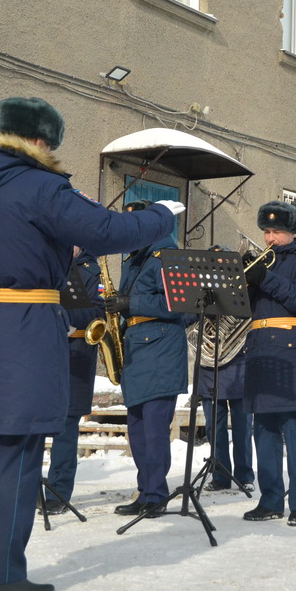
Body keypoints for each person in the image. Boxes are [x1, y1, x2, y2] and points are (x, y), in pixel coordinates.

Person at [0, 96, 180, 591]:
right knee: (15, 453)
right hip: (24, 324)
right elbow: (107, 232)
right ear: (39, 141)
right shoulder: (39, 184)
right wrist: (158, 214)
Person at [241, 200, 296, 527]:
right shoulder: (265, 262)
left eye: (276, 232)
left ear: (292, 232)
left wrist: (264, 278)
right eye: (266, 232)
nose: (270, 238)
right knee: (264, 432)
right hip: (261, 351)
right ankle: (270, 499)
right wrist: (244, 280)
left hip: (293, 353)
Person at [106, 199, 190, 519]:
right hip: (137, 349)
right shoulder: (136, 257)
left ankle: (156, 494)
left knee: (154, 430)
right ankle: (146, 490)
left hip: (160, 348)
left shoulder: (168, 255)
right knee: (138, 429)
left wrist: (130, 301)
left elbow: (178, 306)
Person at [43, 247, 101, 515]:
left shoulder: (92, 271)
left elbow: (96, 314)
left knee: (66, 429)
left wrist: (62, 310)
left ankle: (58, 493)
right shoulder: (42, 262)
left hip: (75, 354)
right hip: (41, 353)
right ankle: (27, 488)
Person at [194, 329, 255, 494]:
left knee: (243, 428)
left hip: (240, 364)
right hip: (210, 366)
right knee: (214, 428)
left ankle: (245, 476)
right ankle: (220, 476)